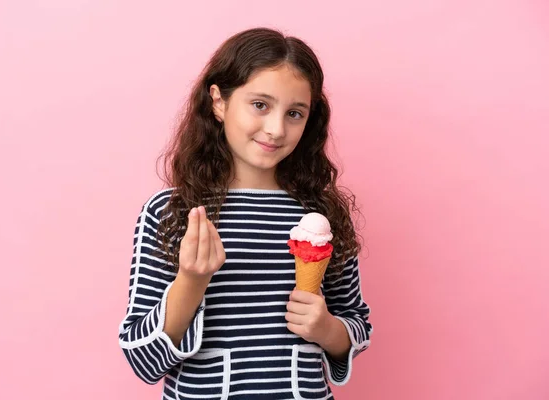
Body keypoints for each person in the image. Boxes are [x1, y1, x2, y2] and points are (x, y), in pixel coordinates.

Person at [118, 27, 372, 400]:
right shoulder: (170, 212)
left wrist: (327, 330)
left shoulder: (323, 215)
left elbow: (356, 324)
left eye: (295, 113)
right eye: (260, 105)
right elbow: (143, 361)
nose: (275, 129)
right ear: (218, 102)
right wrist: (191, 279)